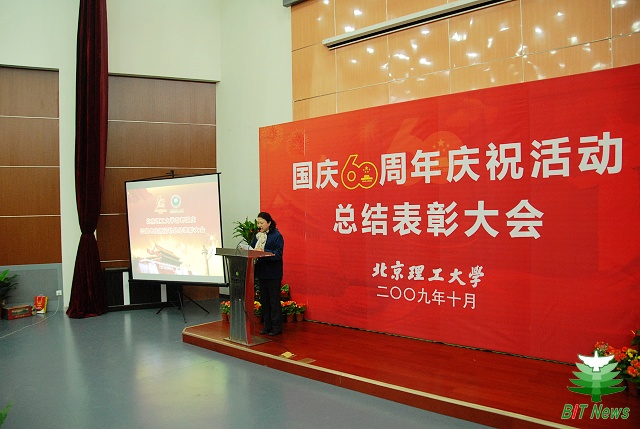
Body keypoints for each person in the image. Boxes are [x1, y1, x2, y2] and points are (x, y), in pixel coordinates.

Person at [251, 212, 284, 336]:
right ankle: (267, 326)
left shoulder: (277, 236)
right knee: (264, 301)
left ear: (269, 223)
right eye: (258, 223)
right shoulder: (258, 236)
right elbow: (252, 249)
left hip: (273, 273)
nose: (259, 225)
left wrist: (264, 251)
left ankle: (276, 327)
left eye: (262, 223)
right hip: (261, 272)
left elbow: (278, 254)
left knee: (274, 301)